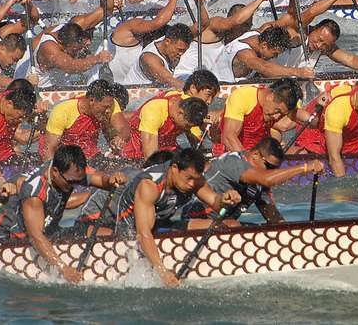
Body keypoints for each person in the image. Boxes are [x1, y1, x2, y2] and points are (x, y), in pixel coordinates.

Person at [0, 145, 127, 283]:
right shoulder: (34, 193)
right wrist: (63, 268)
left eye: (78, 181)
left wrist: (111, 180)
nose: (74, 185)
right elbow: (36, 236)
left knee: (105, 232)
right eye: (71, 182)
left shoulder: (72, 171)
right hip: (14, 237)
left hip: (48, 230)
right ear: (55, 172)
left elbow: (100, 179)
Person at [107, 148, 241, 286]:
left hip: (160, 225)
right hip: (131, 232)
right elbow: (143, 234)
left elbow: (215, 201)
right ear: (175, 168)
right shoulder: (149, 185)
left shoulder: (194, 179)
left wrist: (225, 199)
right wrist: (162, 272)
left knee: (229, 225)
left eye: (195, 179)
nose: (192, 184)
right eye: (188, 178)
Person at [182, 137, 325, 226]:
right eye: (269, 166)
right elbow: (267, 179)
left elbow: (274, 218)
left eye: (275, 169)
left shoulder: (259, 182)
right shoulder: (234, 161)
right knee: (234, 225)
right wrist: (305, 167)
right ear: (255, 154)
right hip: (194, 221)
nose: (271, 171)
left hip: (223, 225)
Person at [295, 81, 358, 176]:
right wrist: (343, 183)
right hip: (316, 142)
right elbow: (334, 158)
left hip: (349, 142)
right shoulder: (338, 110)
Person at [174, 0, 271, 78]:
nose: (245, 29)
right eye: (243, 24)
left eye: (248, 25)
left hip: (211, 82)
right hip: (186, 76)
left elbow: (271, 26)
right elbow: (235, 20)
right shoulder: (213, 28)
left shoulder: (246, 39)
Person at [40, 79, 130, 161]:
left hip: (90, 155)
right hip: (65, 158)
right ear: (92, 101)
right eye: (105, 107)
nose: (108, 111)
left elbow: (124, 128)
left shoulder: (110, 103)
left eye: (110, 107)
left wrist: (120, 138)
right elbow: (49, 151)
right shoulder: (63, 111)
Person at [108, 0, 184, 81]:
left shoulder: (149, 43)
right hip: (102, 80)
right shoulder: (129, 27)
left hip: (125, 84)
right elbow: (158, 22)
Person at [213, 78, 303, 155]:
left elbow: (285, 125)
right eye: (277, 110)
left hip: (260, 157)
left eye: (282, 114)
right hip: (232, 158)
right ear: (270, 96)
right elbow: (228, 137)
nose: (277, 117)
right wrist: (248, 164)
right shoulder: (243, 96)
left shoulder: (280, 105)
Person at [213, 25, 314, 83]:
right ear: (264, 45)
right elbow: (264, 67)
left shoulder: (258, 33)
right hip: (219, 88)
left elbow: (288, 20)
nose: (275, 57)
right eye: (275, 53)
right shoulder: (244, 53)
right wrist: (298, 72)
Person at [27, 22, 111, 89]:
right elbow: (71, 67)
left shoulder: (67, 29)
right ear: (62, 44)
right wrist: (97, 58)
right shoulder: (49, 48)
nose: (76, 52)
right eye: (74, 50)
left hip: (61, 87)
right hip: (41, 89)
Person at [122, 95, 208, 160]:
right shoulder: (154, 112)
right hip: (136, 153)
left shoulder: (189, 104)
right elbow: (150, 159)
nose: (188, 129)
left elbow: (198, 144)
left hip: (167, 148)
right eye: (187, 126)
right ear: (180, 113)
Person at [122, 23, 194, 89]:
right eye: (179, 50)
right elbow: (170, 81)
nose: (181, 54)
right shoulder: (150, 58)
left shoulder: (171, 39)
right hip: (134, 93)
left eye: (184, 50)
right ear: (167, 42)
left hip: (155, 89)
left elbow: (199, 27)